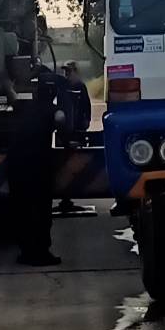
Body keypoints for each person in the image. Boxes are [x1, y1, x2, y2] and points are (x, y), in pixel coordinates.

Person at [8, 73, 62, 266]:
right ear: (53, 92)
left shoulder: (24, 106)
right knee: (41, 210)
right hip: (38, 166)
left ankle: (25, 252)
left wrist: (7, 84)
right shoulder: (53, 110)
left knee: (22, 209)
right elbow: (62, 120)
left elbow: (13, 98)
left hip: (15, 164)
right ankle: (41, 253)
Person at [56, 61, 93, 215]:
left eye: (69, 72)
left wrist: (86, 121)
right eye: (65, 72)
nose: (67, 75)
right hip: (64, 130)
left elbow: (86, 106)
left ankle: (69, 194)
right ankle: (65, 197)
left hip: (77, 129)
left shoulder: (80, 87)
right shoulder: (62, 88)